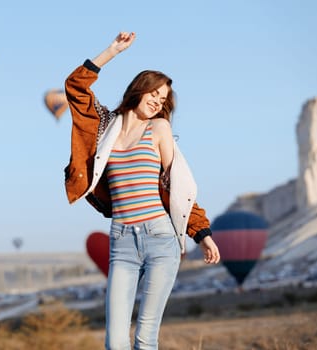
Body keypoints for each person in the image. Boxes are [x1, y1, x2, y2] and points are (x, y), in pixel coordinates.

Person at [64, 32, 221, 350]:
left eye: (163, 99)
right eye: (154, 93)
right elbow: (75, 87)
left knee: (145, 338)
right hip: (121, 241)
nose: (157, 101)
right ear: (139, 88)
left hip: (160, 239)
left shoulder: (159, 129)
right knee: (116, 341)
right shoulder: (106, 125)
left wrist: (202, 234)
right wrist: (112, 51)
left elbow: (177, 189)